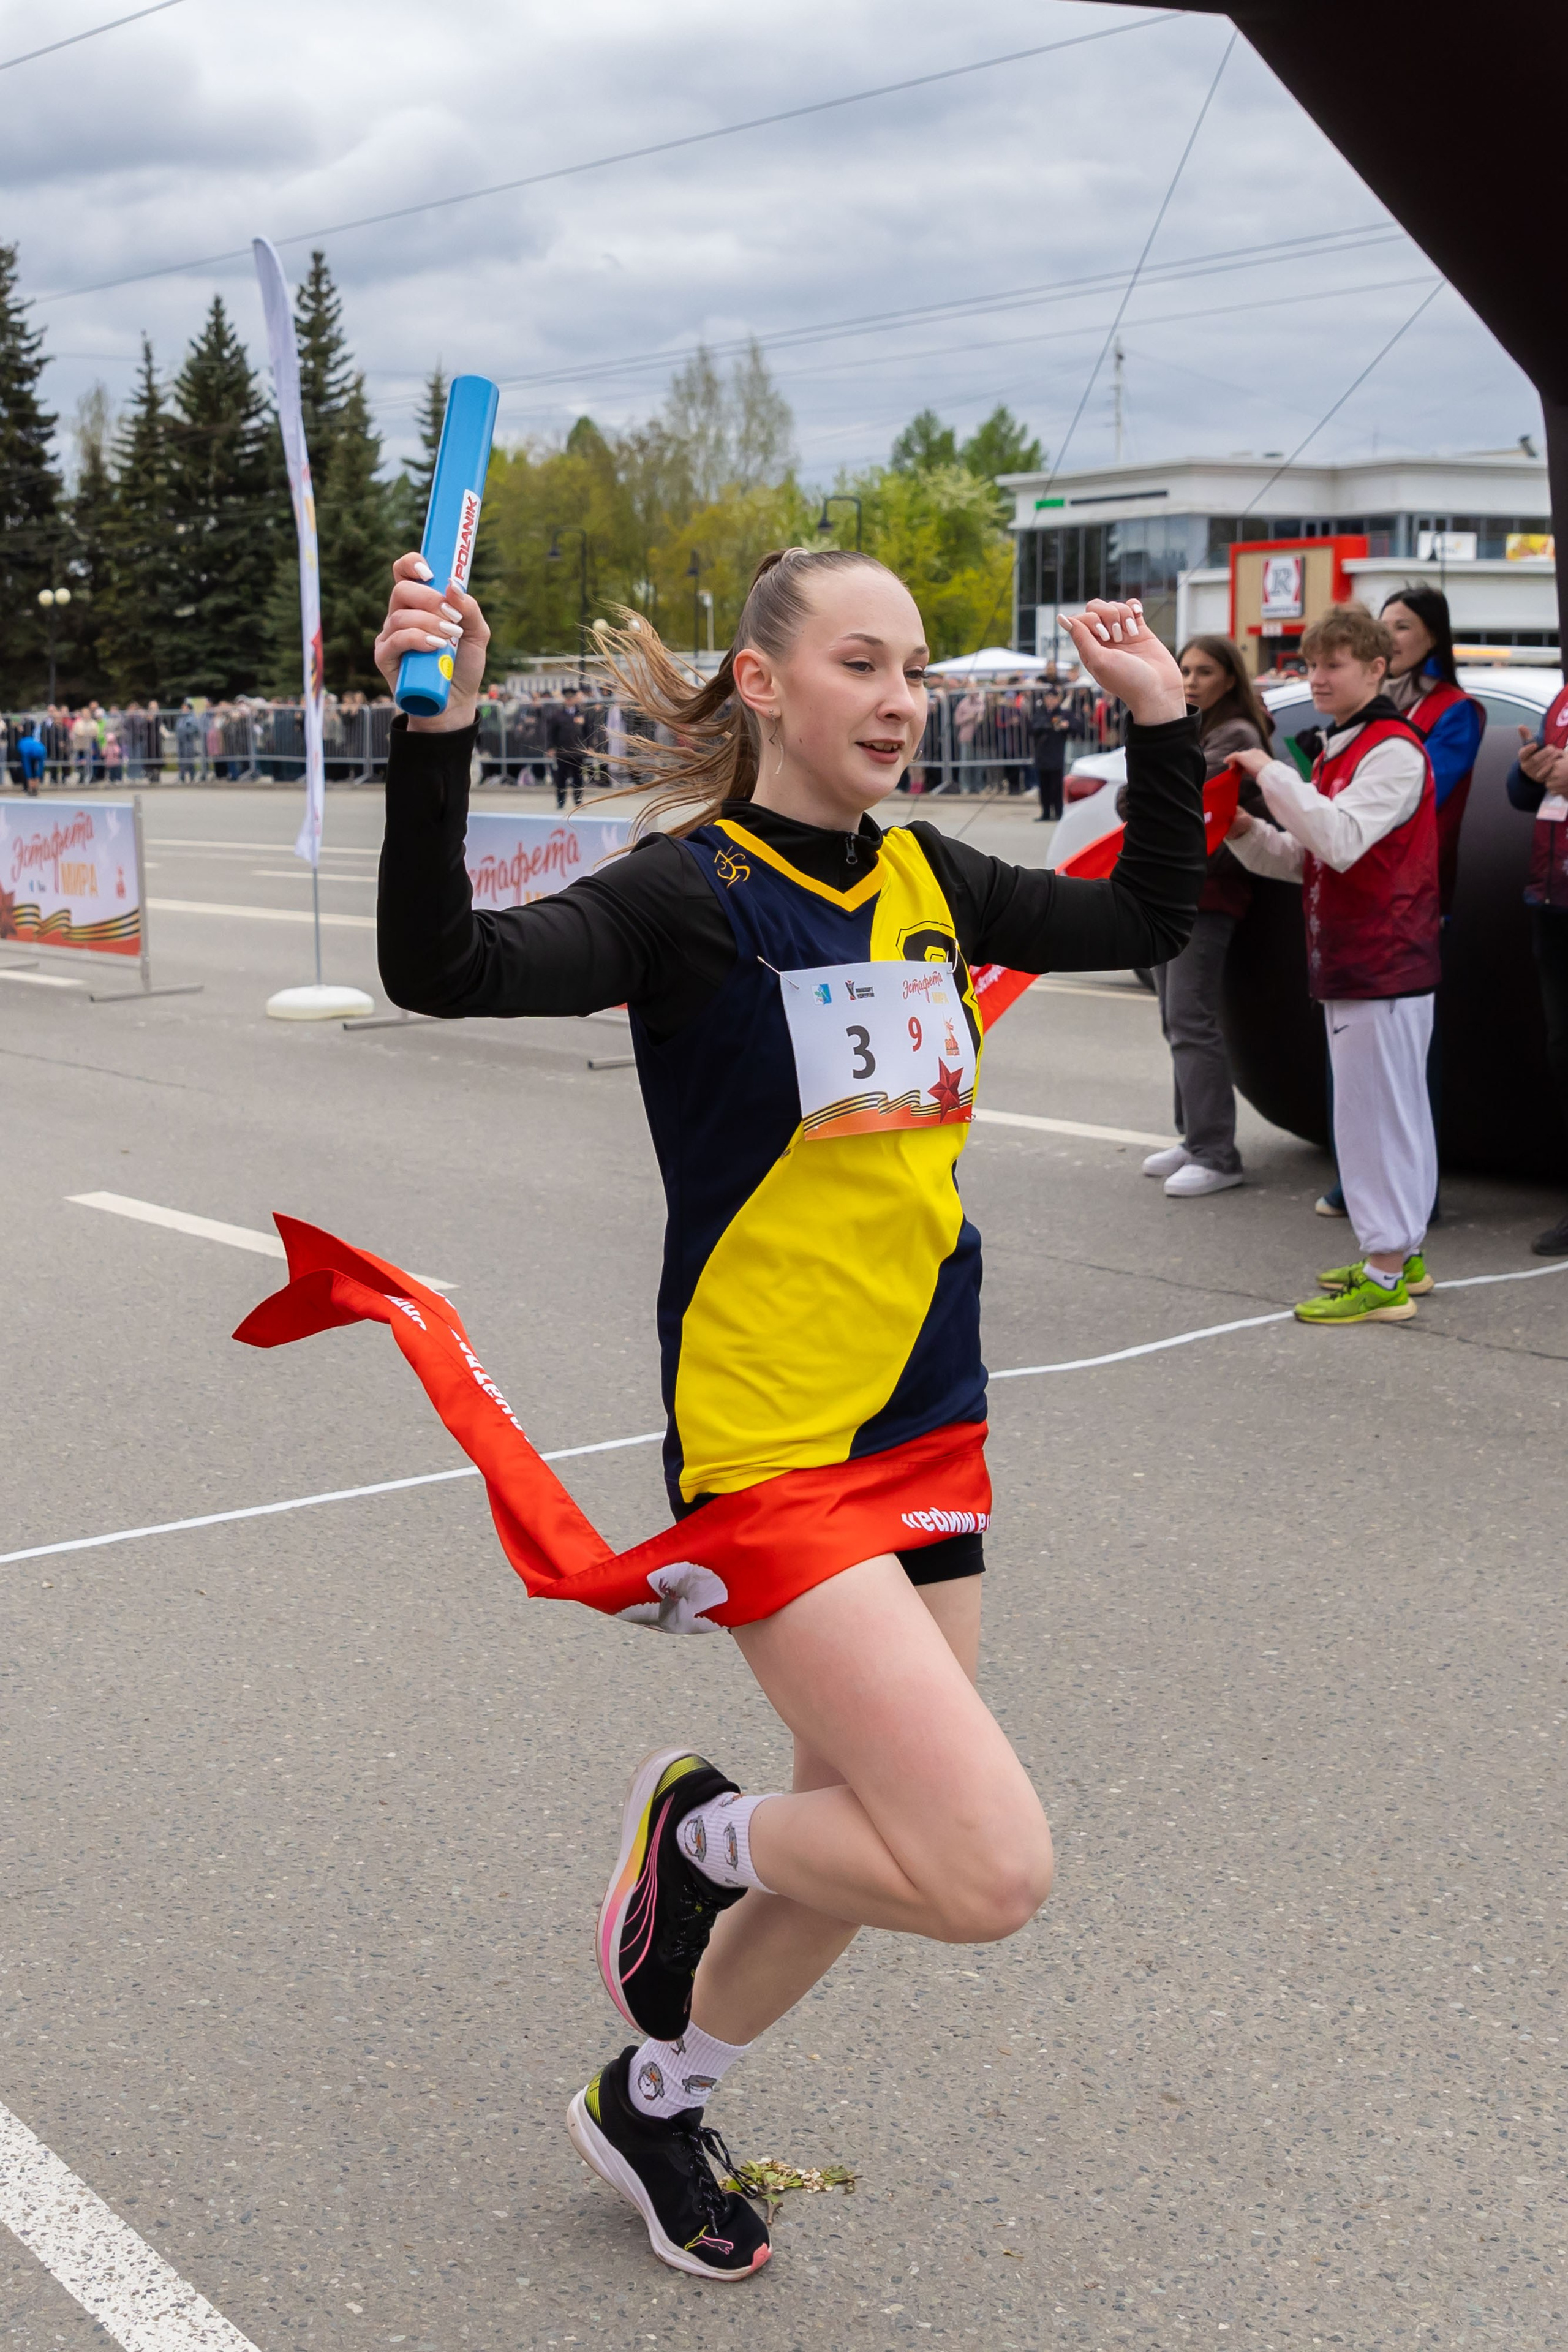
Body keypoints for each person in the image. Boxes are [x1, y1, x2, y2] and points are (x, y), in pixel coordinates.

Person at [373, 546, 1205, 2282]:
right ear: (763, 686)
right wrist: (431, 734)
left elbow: (1146, 924)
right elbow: (441, 967)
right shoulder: (689, 897)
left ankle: (656, 2094)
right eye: (859, 663)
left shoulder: (929, 874)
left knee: (876, 1829)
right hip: (776, 1450)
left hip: (931, 1414)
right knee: (980, 1871)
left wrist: (1163, 725)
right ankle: (701, 1837)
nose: (903, 698)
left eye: (916, 668)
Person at [1226, 602, 1439, 1323]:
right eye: (1311, 663)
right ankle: (1398, 1256)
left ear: (1377, 669)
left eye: (1333, 664)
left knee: (1373, 1119)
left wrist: (1268, 774)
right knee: (1392, 1114)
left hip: (1380, 960)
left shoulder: (1391, 748)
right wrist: (1245, 828)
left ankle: (1384, 1276)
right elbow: (1308, 856)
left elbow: (1338, 840)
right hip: (1369, 959)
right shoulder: (1346, 747)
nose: (1316, 676)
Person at [1316, 586, 1485, 1216]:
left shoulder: (1450, 712)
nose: (1388, 637)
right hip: (1355, 896)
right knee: (1354, 1069)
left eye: (1403, 627)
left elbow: (1417, 797)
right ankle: (1363, 1187)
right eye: (1381, 625)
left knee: (1404, 1072)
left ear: (1434, 637)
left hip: (1409, 899)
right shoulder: (1368, 715)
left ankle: (1412, 1202)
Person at [1140, 635, 1272, 1197]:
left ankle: (1218, 1153)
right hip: (1178, 890)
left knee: (1191, 1019)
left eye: (1205, 671)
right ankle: (1195, 1139)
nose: (1191, 681)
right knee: (1177, 1019)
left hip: (1209, 892)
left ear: (1230, 678)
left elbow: (1161, 796)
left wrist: (1149, 794)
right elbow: (1150, 795)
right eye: (1184, 670)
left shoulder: (1237, 733)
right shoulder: (1199, 729)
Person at [1506, 671, 1568, 1256]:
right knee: (1563, 1051)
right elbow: (1525, 797)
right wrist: (1527, 769)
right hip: (1552, 900)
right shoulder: (1561, 698)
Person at [1030, 683, 1070, 819]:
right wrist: (1050, 726)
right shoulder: (1040, 713)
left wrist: (1066, 726)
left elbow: (1077, 726)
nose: (1051, 700)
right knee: (1044, 786)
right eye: (1048, 698)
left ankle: (1059, 812)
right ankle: (1046, 812)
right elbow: (1034, 727)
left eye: (1053, 698)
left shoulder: (1063, 713)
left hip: (1056, 754)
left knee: (1057, 786)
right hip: (1042, 754)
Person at [549, 682, 587, 808]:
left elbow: (588, 731)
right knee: (561, 778)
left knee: (578, 778)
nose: (570, 701)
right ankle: (561, 801)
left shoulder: (581, 713)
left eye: (572, 698)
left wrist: (589, 746)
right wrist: (551, 747)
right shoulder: (557, 715)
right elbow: (551, 733)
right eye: (567, 698)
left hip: (577, 751)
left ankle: (578, 801)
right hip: (563, 752)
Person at [17, 720, 46, 793]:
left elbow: (27, 765)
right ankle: (35, 787)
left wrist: (30, 777)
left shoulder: (22, 744)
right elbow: (40, 766)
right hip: (39, 750)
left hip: (29, 751)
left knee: (28, 768)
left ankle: (31, 787)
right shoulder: (35, 743)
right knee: (38, 769)